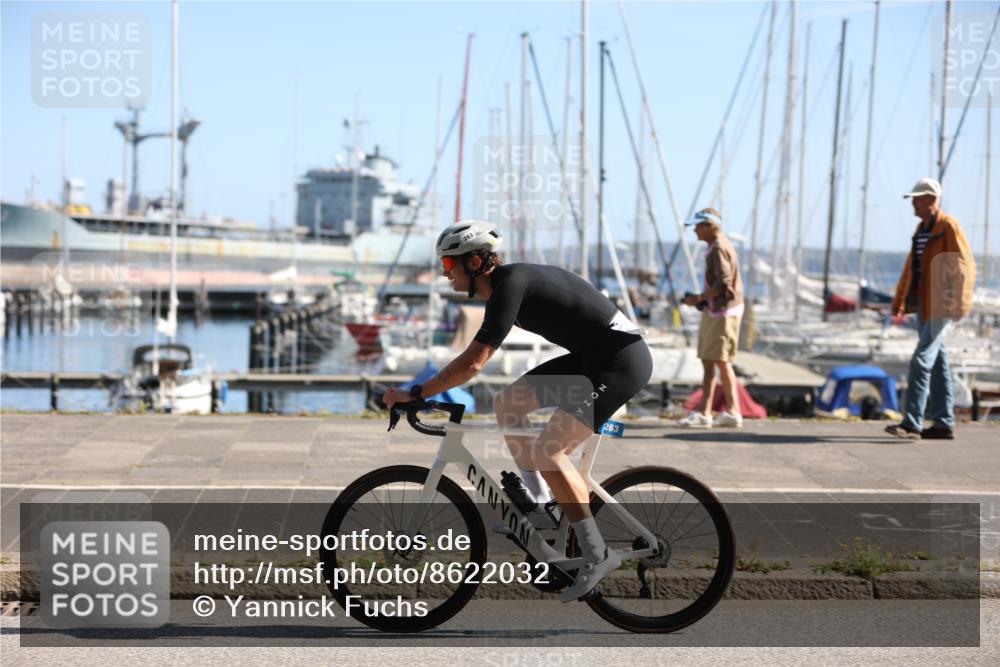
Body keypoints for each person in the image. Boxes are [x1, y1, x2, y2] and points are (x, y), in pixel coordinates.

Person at [383, 220, 652, 601]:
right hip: (594, 359)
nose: (446, 276)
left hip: (620, 363)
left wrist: (418, 391)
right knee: (508, 403)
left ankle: (597, 553)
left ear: (475, 262)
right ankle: (542, 505)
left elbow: (475, 363)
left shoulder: (509, 285)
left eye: (448, 266)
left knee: (548, 451)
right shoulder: (506, 287)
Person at [885, 178, 976, 440]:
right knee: (938, 363)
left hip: (942, 303)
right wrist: (900, 300)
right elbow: (910, 267)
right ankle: (943, 422)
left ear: (932, 200)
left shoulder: (948, 227)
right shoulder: (921, 229)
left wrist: (959, 302)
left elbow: (964, 267)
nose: (913, 203)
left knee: (921, 358)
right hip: (924, 302)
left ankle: (912, 422)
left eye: (918, 198)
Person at [676, 208, 745, 429]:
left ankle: (706, 413)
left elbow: (724, 283)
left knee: (714, 362)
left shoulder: (718, 249)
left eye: (698, 226)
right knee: (718, 362)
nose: (695, 230)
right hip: (720, 311)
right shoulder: (719, 245)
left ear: (709, 226)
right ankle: (729, 412)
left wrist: (698, 298)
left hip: (722, 314)